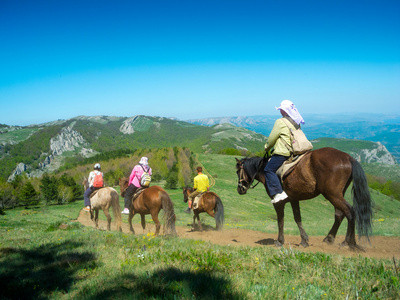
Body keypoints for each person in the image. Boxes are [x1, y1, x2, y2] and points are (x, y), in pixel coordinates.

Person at [264, 100, 305, 204]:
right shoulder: (296, 120)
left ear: (284, 111)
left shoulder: (280, 122)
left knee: (268, 170)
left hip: (283, 153)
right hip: (295, 151)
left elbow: (272, 138)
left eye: (281, 109)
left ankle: (279, 193)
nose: (280, 111)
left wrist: (266, 147)